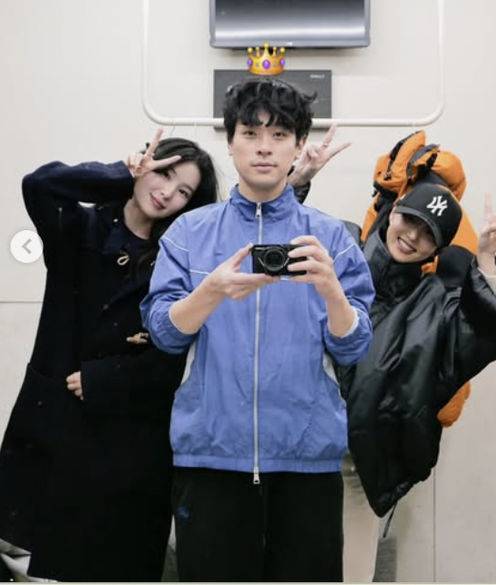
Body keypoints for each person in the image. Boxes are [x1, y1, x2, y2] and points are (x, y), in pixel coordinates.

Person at [140, 78, 375, 582]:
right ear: (230, 143)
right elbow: (163, 333)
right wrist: (210, 291)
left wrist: (332, 291)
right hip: (211, 456)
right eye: (250, 133)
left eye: (279, 135)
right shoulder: (189, 234)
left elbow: (354, 346)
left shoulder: (331, 238)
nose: (264, 147)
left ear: (298, 146)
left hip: (307, 461)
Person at [291, 132, 496, 580]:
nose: (412, 237)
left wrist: (487, 262)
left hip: (360, 467)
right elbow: (270, 236)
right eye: (410, 220)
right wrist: (297, 181)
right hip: (291, 454)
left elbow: (486, 334)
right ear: (394, 209)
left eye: (428, 234)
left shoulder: (434, 301)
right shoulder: (339, 243)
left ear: (437, 249)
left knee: (351, 575)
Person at [0, 131, 218, 582]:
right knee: (35, 559)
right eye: (164, 174)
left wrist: (105, 379)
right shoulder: (79, 228)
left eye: (183, 192)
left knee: (114, 562)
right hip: (55, 421)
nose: (167, 194)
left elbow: (175, 351)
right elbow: (39, 184)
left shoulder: (178, 260)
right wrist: (120, 174)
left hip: (130, 435)